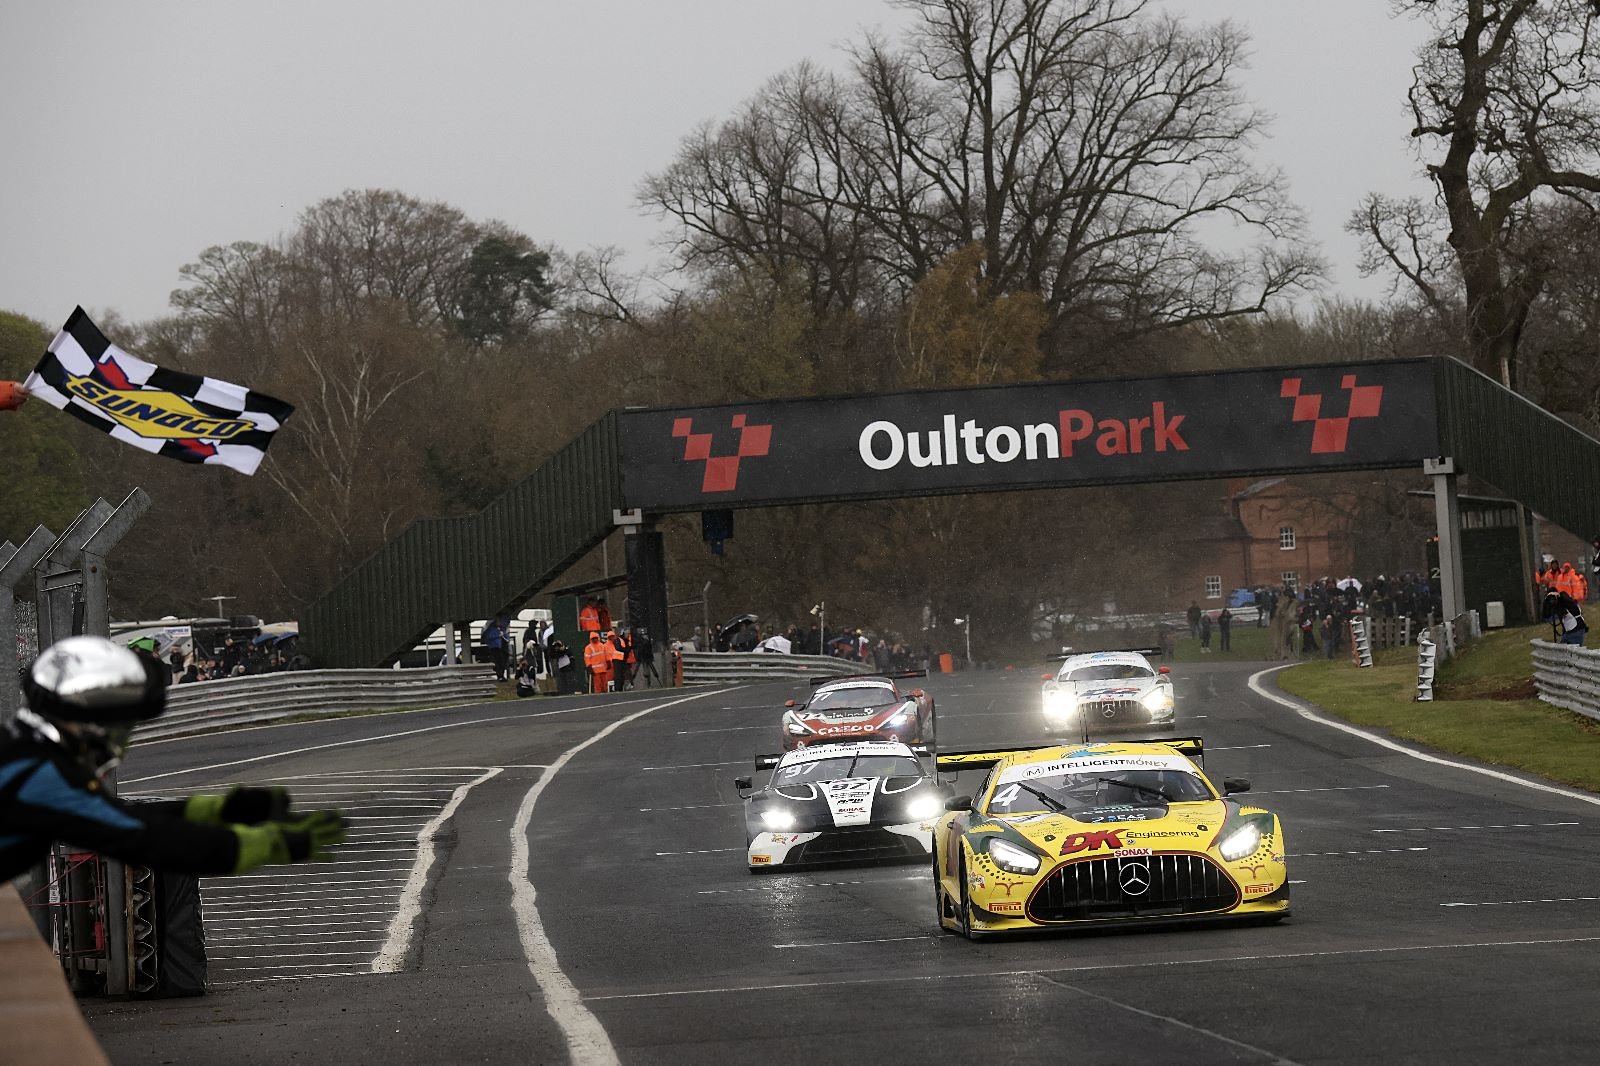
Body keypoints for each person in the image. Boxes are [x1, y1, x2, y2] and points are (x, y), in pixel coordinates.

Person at [0, 637, 346, 885]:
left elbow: (117, 816)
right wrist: (271, 844)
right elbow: (144, 839)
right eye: (120, 725)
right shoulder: (42, 776)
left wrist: (218, 811)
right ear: (91, 721)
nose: (121, 738)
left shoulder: (21, 747)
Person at [483, 617, 508, 681]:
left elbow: (505, 635)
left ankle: (501, 675)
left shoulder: (500, 629)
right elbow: (490, 637)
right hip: (494, 647)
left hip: (500, 647)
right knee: (498, 662)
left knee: (502, 662)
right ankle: (499, 675)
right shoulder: (491, 629)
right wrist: (498, 635)